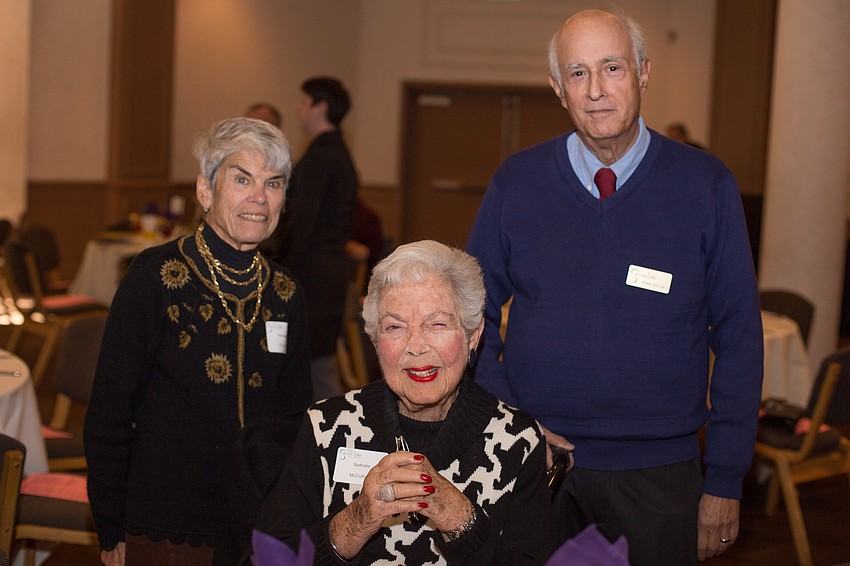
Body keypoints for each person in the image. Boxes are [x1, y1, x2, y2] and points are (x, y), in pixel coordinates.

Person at [466, 9, 763, 566]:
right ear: (558, 89)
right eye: (577, 73)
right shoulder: (517, 183)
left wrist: (726, 477)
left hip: (661, 475)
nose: (596, 90)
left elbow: (740, 337)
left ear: (643, 72)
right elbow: (468, 315)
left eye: (612, 67)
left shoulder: (706, 185)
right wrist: (511, 421)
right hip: (535, 465)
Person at [84, 117, 312, 566]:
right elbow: (110, 410)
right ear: (205, 189)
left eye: (273, 183)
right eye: (242, 179)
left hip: (256, 521)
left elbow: (295, 417)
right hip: (165, 524)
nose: (259, 197)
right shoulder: (155, 278)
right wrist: (110, 525)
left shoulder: (286, 292)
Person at [254, 240, 553, 565]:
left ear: (473, 335)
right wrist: (356, 520)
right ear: (375, 341)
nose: (416, 346)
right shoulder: (326, 427)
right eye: (395, 327)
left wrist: (460, 520)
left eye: (437, 324)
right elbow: (269, 558)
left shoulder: (517, 441)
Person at [270, 77, 359, 401]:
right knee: (313, 362)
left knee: (312, 365)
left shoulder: (322, 157)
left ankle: (334, 430)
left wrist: (280, 270)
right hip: (326, 273)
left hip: (311, 276)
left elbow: (302, 224)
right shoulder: (337, 152)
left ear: (320, 107)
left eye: (304, 102)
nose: (298, 109)